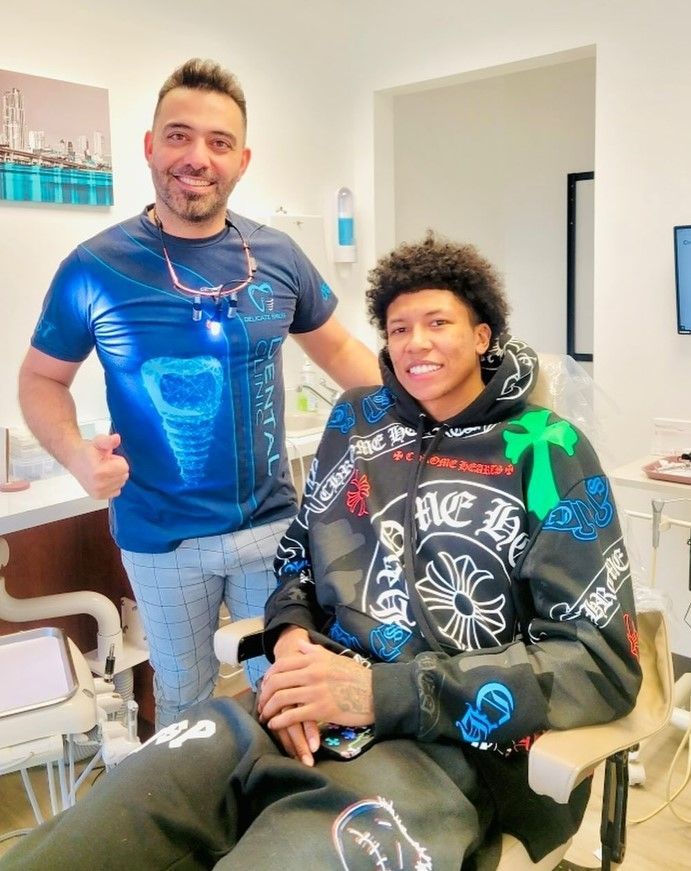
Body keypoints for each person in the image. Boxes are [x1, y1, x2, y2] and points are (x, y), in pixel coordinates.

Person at [3, 233, 642, 870]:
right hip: (289, 711)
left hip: (439, 750)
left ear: (482, 336)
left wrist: (379, 693)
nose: (415, 343)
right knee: (99, 827)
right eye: (398, 329)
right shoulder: (359, 424)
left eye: (438, 322)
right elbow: (298, 560)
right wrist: (291, 643)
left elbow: (601, 663)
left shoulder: (549, 451)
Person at [16, 58, 380, 727]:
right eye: (178, 136)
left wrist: (450, 412)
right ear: (150, 146)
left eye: (217, 142)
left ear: (241, 159)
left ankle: (271, 813)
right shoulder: (94, 266)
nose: (196, 157)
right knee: (184, 693)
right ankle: (197, 824)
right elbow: (40, 377)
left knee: (283, 687)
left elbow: (347, 356)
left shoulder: (277, 255)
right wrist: (76, 456)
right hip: (158, 537)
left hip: (268, 524)